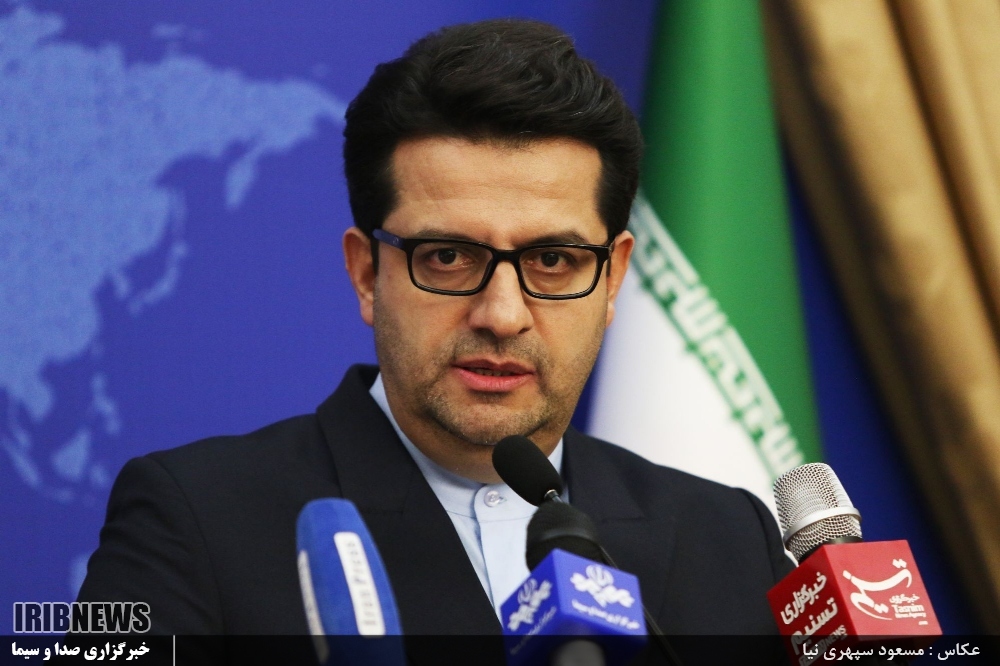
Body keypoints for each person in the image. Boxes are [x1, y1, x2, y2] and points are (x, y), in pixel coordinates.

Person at [78, 17, 792, 662]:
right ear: (367, 273)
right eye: (448, 256)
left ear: (612, 281)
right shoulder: (192, 521)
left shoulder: (729, 537)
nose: (503, 315)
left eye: (553, 259)